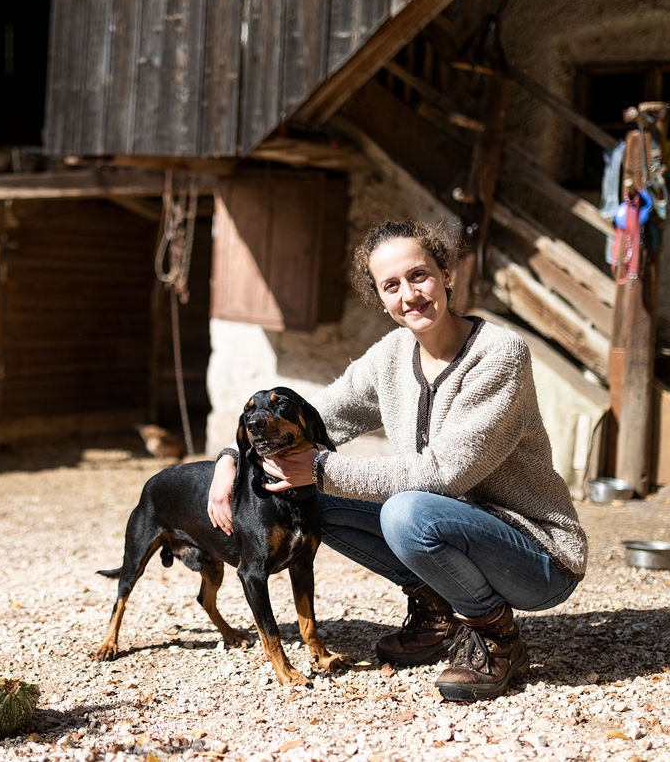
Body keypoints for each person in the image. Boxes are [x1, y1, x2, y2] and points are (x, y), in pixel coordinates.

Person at [207, 219, 587, 702]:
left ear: (446, 274)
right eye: (392, 285)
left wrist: (322, 469)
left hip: (535, 554)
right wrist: (231, 458)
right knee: (310, 502)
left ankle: (495, 636)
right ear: (381, 299)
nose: (409, 294)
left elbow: (445, 473)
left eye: (419, 275)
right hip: (454, 530)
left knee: (407, 511)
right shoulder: (391, 355)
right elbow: (310, 417)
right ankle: (437, 607)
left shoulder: (499, 355)